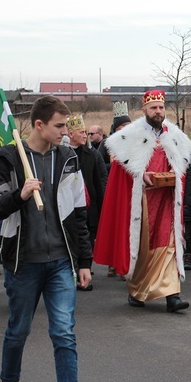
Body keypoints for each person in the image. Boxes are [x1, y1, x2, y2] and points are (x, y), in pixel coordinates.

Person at [0, 95, 91, 382]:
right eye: (59, 125)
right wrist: (20, 194)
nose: (65, 131)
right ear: (39, 124)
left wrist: (84, 260)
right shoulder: (8, 158)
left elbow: (79, 212)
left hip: (61, 261)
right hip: (22, 262)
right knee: (19, 330)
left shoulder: (68, 157)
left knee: (64, 333)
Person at [93, 90, 191, 313]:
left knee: (168, 243)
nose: (158, 111)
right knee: (141, 246)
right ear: (144, 110)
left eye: (160, 107)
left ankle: (172, 295)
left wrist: (175, 176)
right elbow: (122, 172)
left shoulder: (174, 136)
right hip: (141, 202)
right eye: (153, 108)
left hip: (167, 199)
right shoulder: (129, 136)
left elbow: (182, 167)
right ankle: (137, 290)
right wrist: (139, 175)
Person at [67, 114, 108, 291]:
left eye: (86, 132)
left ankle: (85, 272)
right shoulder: (62, 154)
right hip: (69, 206)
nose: (85, 136)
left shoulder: (93, 155)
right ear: (70, 134)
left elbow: (100, 181)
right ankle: (71, 273)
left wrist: (103, 205)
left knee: (87, 240)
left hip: (89, 207)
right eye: (81, 132)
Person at [99, 101, 131, 172]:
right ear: (116, 127)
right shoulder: (106, 144)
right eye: (124, 125)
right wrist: (114, 165)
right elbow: (98, 165)